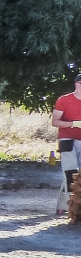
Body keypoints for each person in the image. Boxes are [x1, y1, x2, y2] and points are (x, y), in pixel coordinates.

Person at [49, 74, 81, 218]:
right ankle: (70, 209)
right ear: (76, 84)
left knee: (78, 177)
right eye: (80, 83)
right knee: (70, 173)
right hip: (67, 139)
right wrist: (73, 123)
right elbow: (55, 122)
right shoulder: (64, 100)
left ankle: (62, 207)